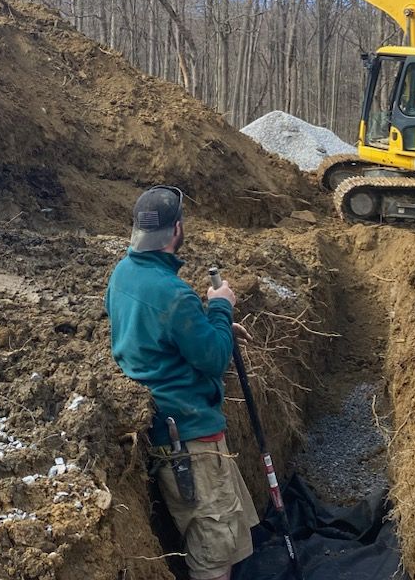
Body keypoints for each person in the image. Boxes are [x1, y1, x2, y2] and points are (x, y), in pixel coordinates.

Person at [105, 186, 258, 580]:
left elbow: (159, 335)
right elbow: (213, 358)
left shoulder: (124, 273)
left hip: (161, 420)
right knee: (214, 544)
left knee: (220, 530)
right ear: (177, 230)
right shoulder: (174, 294)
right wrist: (221, 306)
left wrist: (211, 326)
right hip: (189, 434)